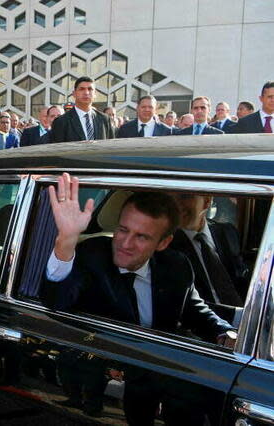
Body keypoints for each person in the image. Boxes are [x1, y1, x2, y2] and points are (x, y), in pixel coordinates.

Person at [41, 173, 235, 425]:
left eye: (142, 237)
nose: (126, 244)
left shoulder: (176, 265)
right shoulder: (92, 257)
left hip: (167, 380)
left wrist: (223, 332)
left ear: (163, 243)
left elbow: (193, 308)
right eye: (123, 230)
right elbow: (55, 301)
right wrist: (66, 240)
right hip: (109, 383)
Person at [169, 194, 249, 309]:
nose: (175, 205)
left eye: (184, 196)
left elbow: (241, 279)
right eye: (171, 198)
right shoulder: (166, 246)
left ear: (207, 201)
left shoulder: (227, 232)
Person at [49, 77, 113, 143]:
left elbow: (111, 146)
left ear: (95, 94)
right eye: (82, 89)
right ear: (74, 94)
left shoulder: (104, 119)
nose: (86, 92)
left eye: (90, 89)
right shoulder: (61, 122)